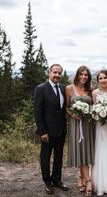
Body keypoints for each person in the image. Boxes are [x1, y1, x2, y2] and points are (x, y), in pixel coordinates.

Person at [34, 64, 70, 194]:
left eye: (59, 73)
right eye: (55, 72)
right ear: (49, 73)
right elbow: (38, 112)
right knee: (45, 157)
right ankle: (47, 182)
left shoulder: (63, 88)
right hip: (47, 132)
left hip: (61, 130)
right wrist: (42, 131)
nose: (57, 75)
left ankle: (57, 179)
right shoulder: (41, 89)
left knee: (59, 157)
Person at [65, 66, 96, 196]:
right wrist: (73, 115)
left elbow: (94, 106)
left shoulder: (91, 89)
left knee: (86, 150)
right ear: (77, 75)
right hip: (75, 123)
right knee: (80, 149)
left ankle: (81, 177)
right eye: (81, 74)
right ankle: (89, 180)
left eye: (86, 75)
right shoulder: (69, 88)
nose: (84, 77)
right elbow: (66, 107)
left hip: (88, 123)